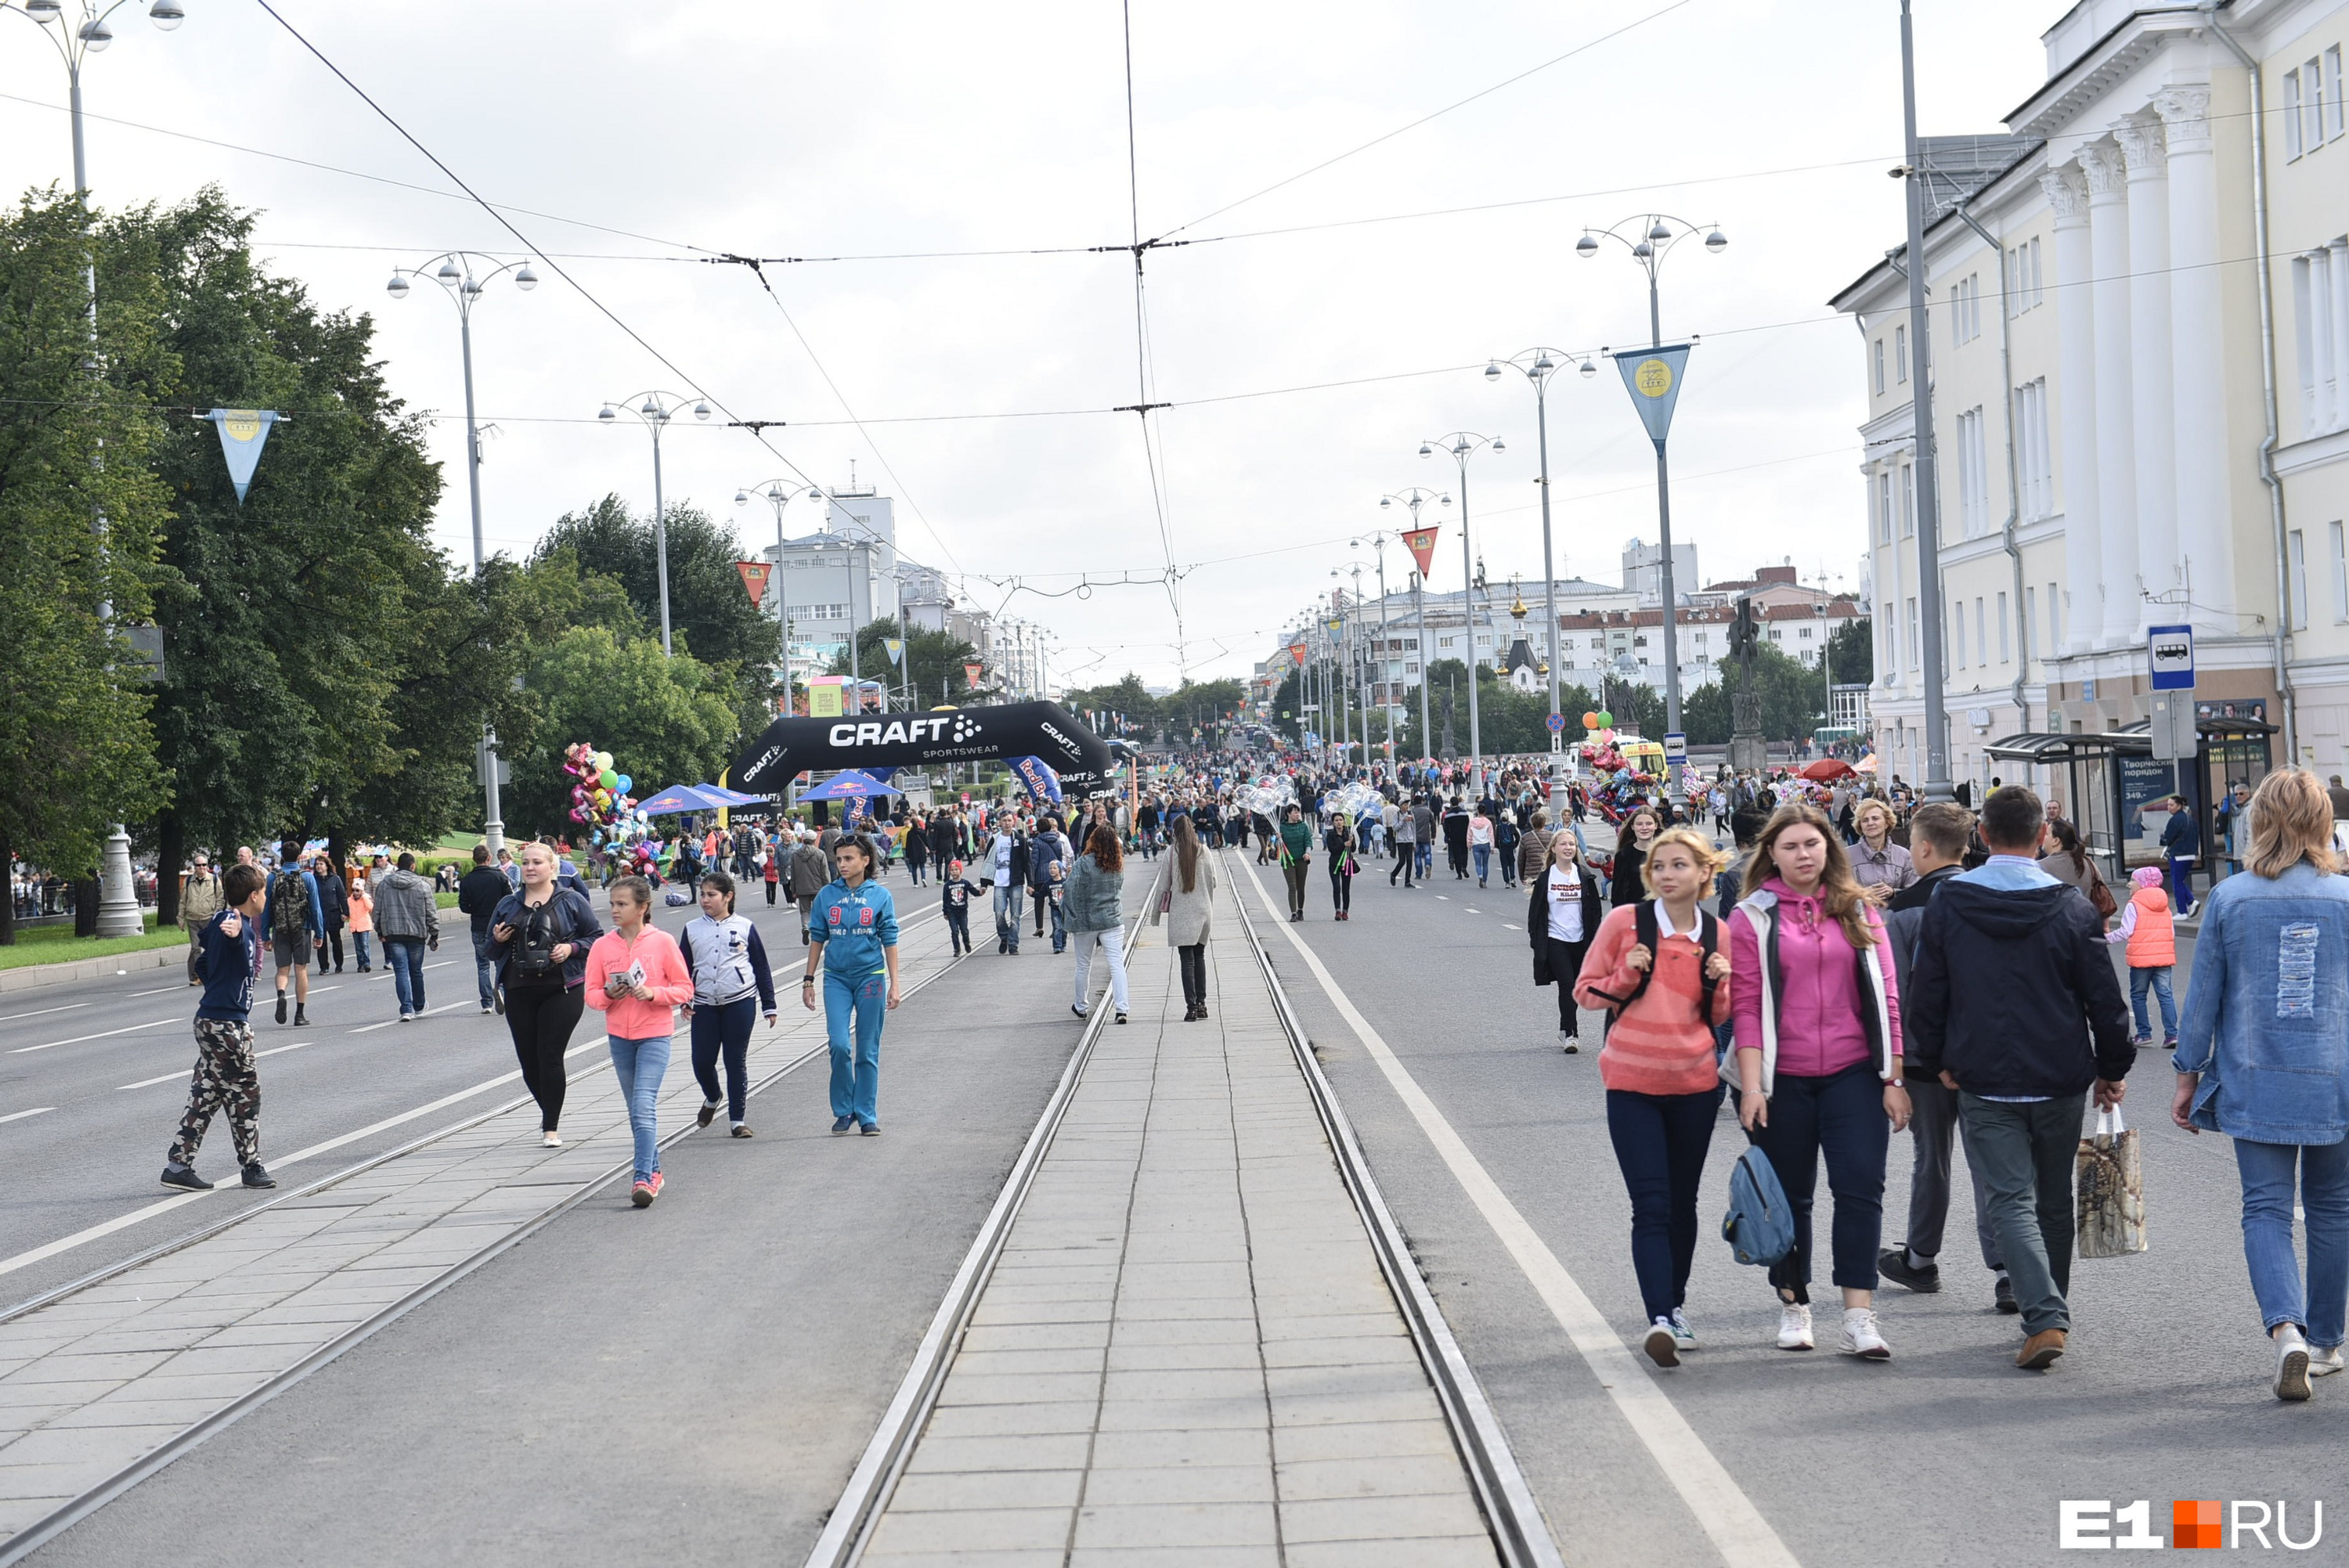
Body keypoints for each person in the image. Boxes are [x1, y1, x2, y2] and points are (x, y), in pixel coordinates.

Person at [1904, 784, 2132, 1372]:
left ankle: (2045, 1314)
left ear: (1981, 836)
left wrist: (1932, 1062)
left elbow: (1928, 992)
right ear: (2040, 836)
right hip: (2059, 1075)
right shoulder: (2072, 906)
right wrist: (2112, 1068)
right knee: (2053, 1199)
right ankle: (2047, 1310)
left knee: (2009, 1197)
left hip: (1982, 1074)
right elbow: (2103, 1000)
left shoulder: (1951, 903)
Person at [2172, 768, 2349, 1399]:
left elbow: (2204, 997)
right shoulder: (2346, 898)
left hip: (2256, 1076)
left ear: (2260, 820)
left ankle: (2288, 1332)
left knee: (2266, 1209)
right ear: (2322, 823)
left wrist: (2188, 1072)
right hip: (2335, 1078)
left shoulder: (2232, 896)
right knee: (2333, 1208)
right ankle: (2328, 1340)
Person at [1730, 803, 1908, 1360]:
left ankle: (1859, 1316)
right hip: (1783, 1079)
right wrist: (1753, 1087)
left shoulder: (1857, 909)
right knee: (1791, 1197)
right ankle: (1794, 1305)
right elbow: (1747, 1007)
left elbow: (1889, 998)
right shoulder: (1752, 917)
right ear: (1771, 855)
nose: (1803, 854)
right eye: (1790, 846)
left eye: (1812, 843)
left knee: (1860, 1188)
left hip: (1855, 1074)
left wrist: (1893, 1074)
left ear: (1828, 847)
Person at [1574, 827, 1734, 1366]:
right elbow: (1586, 992)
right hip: (1632, 1085)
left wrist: (1721, 983)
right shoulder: (1625, 923)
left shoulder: (1717, 934)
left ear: (1704, 873)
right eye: (1659, 866)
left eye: (1679, 865)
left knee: (1684, 1203)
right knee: (1652, 1204)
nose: (1667, 873)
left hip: (1693, 1086)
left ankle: (1677, 1303)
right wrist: (1628, 971)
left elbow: (1716, 1017)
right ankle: (1660, 1317)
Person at [1877, 802, 2007, 1310]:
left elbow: (1897, 992)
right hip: (1982, 1052)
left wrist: (1896, 1065)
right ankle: (2006, 1270)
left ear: (1924, 847)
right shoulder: (1989, 893)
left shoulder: (1904, 908)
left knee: (1931, 1158)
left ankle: (1920, 1258)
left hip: (1926, 1059)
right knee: (1989, 1161)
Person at [161, 862, 276, 1191]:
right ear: (254, 896)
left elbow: (202, 962)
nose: (265, 896)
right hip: (226, 1024)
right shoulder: (234, 924)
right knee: (245, 1093)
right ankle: (251, 1166)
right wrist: (238, 938)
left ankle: (178, 1165)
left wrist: (217, 984)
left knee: (207, 1092)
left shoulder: (224, 922)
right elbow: (231, 946)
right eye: (264, 891)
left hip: (214, 1019)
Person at [583, 875, 694, 1206]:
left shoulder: (662, 942)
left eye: (622, 904)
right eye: (612, 903)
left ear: (643, 907)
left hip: (654, 1035)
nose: (614, 910)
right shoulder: (603, 947)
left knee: (644, 1105)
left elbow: (684, 989)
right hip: (619, 1037)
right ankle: (655, 1170)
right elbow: (590, 995)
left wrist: (652, 993)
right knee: (636, 1110)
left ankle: (642, 1177)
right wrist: (607, 994)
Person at [484, 842, 604, 1146]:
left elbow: (596, 937)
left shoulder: (571, 900)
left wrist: (571, 948)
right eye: (525, 863)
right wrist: (498, 940)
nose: (530, 868)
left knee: (549, 1055)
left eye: (537, 862)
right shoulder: (508, 905)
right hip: (518, 989)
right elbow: (488, 950)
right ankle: (550, 1107)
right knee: (529, 1061)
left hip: (562, 988)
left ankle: (550, 1126)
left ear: (553, 867)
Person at [803, 834, 902, 1135]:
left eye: (849, 859)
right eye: (839, 859)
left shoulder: (880, 896)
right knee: (839, 1044)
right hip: (836, 979)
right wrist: (808, 980)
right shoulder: (827, 895)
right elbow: (818, 937)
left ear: (865, 860)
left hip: (871, 978)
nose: (842, 864)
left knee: (867, 1050)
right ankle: (844, 1110)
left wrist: (895, 984)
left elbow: (890, 940)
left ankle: (866, 1113)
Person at [680, 871, 778, 1138]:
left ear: (728, 897)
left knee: (735, 1059)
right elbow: (682, 969)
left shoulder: (745, 927)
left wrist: (769, 1004)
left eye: (711, 895)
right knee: (702, 1061)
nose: (705, 900)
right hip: (704, 1005)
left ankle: (737, 1120)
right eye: (702, 894)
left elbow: (761, 966)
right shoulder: (691, 929)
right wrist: (684, 1000)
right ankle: (713, 1097)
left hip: (740, 1001)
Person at [1531, 829, 1604, 1053]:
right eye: (1563, 844)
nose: (1568, 848)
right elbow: (1535, 914)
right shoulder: (1546, 878)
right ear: (1554, 848)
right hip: (1556, 938)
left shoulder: (1583, 875)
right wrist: (1537, 942)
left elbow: (1594, 912)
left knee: (1577, 988)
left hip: (1580, 940)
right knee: (1567, 985)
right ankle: (1572, 1034)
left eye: (1571, 844)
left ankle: (1564, 1026)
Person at [1152, 814, 1218, 1021]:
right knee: (1200, 957)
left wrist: (1155, 916)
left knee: (1186, 961)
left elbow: (1163, 885)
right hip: (1203, 911)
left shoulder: (1171, 852)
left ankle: (1190, 1007)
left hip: (1182, 913)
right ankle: (1202, 1005)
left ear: (1175, 832)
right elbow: (1214, 881)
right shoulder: (1204, 851)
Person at [2108, 865, 2179, 1048]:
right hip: (2163, 959)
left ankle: (2144, 1033)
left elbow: (2126, 932)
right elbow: (2170, 932)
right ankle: (2172, 1034)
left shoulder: (2134, 904)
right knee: (2166, 995)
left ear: (2141, 884)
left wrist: (2105, 939)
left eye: (2132, 880)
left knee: (2139, 996)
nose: (2129, 884)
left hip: (2141, 960)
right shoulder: (2164, 905)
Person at [1066, 824, 1131, 1025]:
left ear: (1092, 840)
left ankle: (1081, 1006)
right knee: (1117, 965)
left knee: (1083, 965)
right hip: (1112, 919)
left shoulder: (1083, 863)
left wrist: (1071, 913)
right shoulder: (1117, 863)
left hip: (1086, 921)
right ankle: (1122, 1008)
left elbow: (1070, 888)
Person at [372, 852, 440, 1022]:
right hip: (417, 934)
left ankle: (406, 1009)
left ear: (397, 866)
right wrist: (434, 934)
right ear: (413, 866)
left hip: (393, 934)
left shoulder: (384, 884)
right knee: (416, 971)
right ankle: (419, 1006)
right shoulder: (422, 886)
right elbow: (431, 912)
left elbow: (377, 910)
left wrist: (380, 930)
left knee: (400, 972)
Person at [265, 841, 323, 1028]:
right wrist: (319, 933)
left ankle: (281, 993)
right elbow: (315, 908)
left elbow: (267, 908)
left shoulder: (272, 877)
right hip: (302, 928)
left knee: (282, 971)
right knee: (301, 970)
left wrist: (265, 935)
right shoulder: (307, 877)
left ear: (282, 856)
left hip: (281, 929)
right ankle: (299, 1014)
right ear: (299, 856)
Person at [458, 843, 512, 1016]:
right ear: (489, 858)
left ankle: (487, 1002)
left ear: (474, 859)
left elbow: (464, 907)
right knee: (501, 963)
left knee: (482, 966)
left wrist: (477, 908)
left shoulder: (467, 880)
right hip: (500, 926)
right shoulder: (500, 877)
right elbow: (511, 901)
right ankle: (503, 994)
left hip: (479, 927)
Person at [1848, 799, 1914, 899]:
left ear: (1887, 823)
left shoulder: (1903, 855)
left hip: (1892, 914)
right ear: (1860, 826)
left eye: (1875, 818)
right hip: (1860, 914)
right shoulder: (1846, 855)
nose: (1870, 823)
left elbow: (1914, 893)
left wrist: (1893, 892)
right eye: (1865, 820)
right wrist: (1862, 894)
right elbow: (1837, 894)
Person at [180, 852, 224, 988]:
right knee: (195, 948)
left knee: (211, 948)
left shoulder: (214, 880)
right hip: (193, 919)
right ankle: (196, 975)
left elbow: (220, 899)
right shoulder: (188, 881)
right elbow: (183, 901)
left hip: (208, 919)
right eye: (199, 865)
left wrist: (216, 915)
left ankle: (211, 974)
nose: (202, 868)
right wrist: (180, 918)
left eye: (204, 865)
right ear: (194, 867)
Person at [1611, 807, 1662, 909]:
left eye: (1649, 824)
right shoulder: (1624, 855)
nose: (1644, 828)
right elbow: (1618, 894)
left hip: (1664, 915)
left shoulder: (1667, 853)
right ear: (1632, 827)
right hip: (1635, 915)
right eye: (1639, 824)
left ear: (1656, 826)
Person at [789, 827, 831, 944]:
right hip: (818, 887)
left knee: (804, 911)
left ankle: (805, 926)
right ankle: (818, 932)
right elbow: (825, 873)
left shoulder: (795, 855)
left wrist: (794, 890)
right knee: (819, 910)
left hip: (802, 887)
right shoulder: (820, 854)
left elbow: (793, 874)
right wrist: (828, 888)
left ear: (803, 840)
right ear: (814, 840)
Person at [312, 853, 349, 975]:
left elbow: (342, 896)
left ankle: (339, 964)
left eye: (321, 864)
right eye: (317, 864)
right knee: (321, 941)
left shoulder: (335, 879)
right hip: (319, 915)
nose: (319, 866)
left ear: (327, 866)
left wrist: (346, 912)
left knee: (336, 940)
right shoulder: (314, 880)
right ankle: (324, 967)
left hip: (333, 914)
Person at [1276, 804, 1313, 922]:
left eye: (1298, 812)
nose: (1297, 814)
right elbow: (1277, 847)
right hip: (1288, 861)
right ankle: (1293, 913)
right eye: (1295, 812)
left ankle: (1300, 910)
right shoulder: (1281, 828)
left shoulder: (1303, 826)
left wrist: (1307, 853)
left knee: (1301, 887)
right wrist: (1277, 839)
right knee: (1292, 887)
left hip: (1302, 860)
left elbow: (1308, 841)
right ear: (1288, 814)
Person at [941, 857, 979, 955]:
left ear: (960, 871)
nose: (954, 872)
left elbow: (973, 891)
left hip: (962, 910)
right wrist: (945, 912)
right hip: (951, 910)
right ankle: (957, 949)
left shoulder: (965, 883)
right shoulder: (947, 885)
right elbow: (945, 899)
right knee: (954, 931)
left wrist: (980, 892)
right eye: (952, 870)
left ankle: (967, 943)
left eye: (956, 869)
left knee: (964, 930)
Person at [1325, 809, 1358, 921]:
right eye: (1336, 820)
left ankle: (1345, 912)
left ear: (1344, 821)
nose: (1339, 822)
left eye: (1340, 820)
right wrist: (1344, 844)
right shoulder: (1330, 835)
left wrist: (1352, 842)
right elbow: (1332, 850)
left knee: (1346, 889)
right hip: (1334, 864)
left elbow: (1353, 849)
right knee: (1336, 887)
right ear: (1333, 823)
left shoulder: (1349, 833)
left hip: (1347, 864)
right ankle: (1338, 910)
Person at [346, 865, 373, 973]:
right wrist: (346, 916)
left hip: (364, 925)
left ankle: (367, 963)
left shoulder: (365, 898)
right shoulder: (350, 900)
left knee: (364, 945)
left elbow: (370, 908)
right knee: (358, 948)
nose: (355, 893)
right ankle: (360, 964)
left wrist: (364, 897)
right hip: (355, 926)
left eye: (358, 890)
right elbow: (349, 912)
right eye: (354, 890)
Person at [1390, 794, 1417, 888]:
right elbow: (1395, 828)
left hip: (1409, 840)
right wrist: (1403, 821)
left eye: (1407, 804)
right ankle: (1393, 874)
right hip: (1401, 841)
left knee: (1410, 860)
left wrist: (1414, 842)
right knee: (1402, 861)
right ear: (1400, 806)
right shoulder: (1396, 815)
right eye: (1405, 804)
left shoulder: (1411, 814)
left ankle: (1407, 881)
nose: (1406, 806)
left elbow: (1414, 829)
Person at [1469, 804, 1496, 888]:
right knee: (1485, 864)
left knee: (1478, 864)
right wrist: (1492, 847)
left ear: (1477, 811)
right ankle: (1484, 881)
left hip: (1476, 845)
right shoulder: (1488, 822)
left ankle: (1480, 875)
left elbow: (1469, 835)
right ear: (1485, 812)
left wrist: (1469, 844)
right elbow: (1491, 835)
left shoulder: (1472, 822)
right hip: (1486, 845)